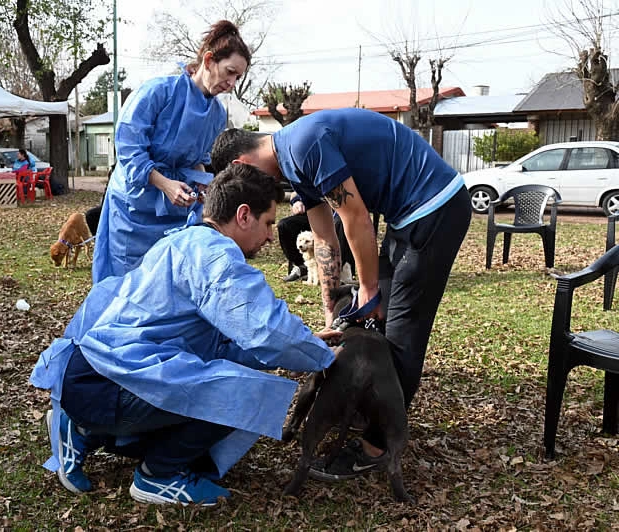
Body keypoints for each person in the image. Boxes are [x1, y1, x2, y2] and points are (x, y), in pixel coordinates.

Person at [30, 164, 340, 506]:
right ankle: (158, 476)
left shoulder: (185, 238)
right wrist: (321, 357)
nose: (270, 236)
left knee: (217, 375)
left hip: (91, 377)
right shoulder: (214, 255)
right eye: (268, 223)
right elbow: (265, 329)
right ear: (243, 215)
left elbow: (224, 345)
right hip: (110, 385)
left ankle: (82, 430)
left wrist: (304, 347)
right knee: (246, 391)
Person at [211, 107, 472, 479]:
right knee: (378, 319)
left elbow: (356, 218)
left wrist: (366, 286)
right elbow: (324, 236)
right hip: (407, 217)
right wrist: (331, 303)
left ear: (242, 163)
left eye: (240, 179)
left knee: (402, 335)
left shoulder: (305, 146)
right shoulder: (293, 162)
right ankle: (366, 411)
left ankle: (376, 446)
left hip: (436, 209)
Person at [91, 20, 251, 283]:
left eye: (238, 77)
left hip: (176, 209)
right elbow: (129, 147)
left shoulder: (217, 113)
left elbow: (199, 160)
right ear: (209, 60)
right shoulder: (158, 92)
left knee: (166, 281)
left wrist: (201, 187)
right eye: (229, 72)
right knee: (127, 281)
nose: (232, 83)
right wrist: (164, 184)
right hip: (135, 204)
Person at [278, 191, 356, 282]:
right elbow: (294, 193)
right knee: (285, 225)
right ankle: (302, 266)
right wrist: (296, 201)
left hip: (339, 211)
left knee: (340, 223)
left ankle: (340, 270)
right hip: (315, 212)